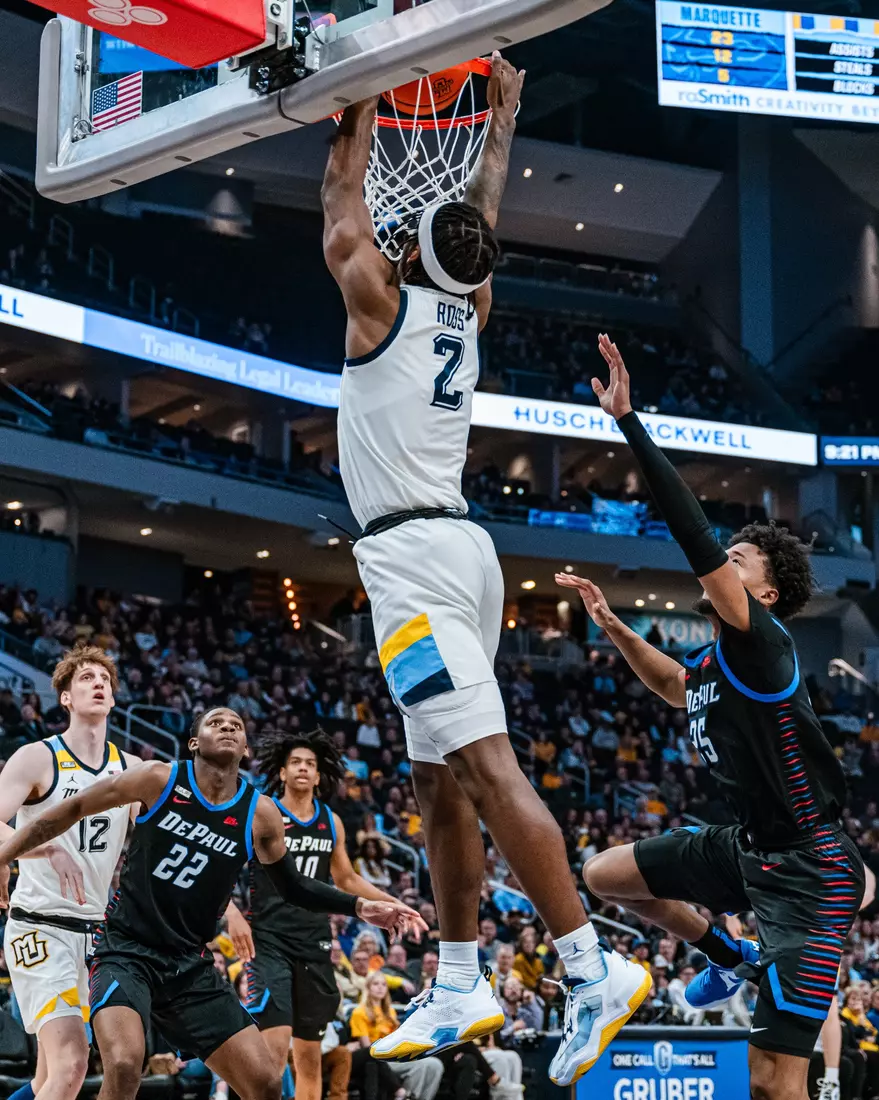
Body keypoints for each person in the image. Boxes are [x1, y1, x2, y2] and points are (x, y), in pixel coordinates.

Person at [323, 57, 649, 1087]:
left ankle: (589, 964)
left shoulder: (378, 303)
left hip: (414, 565)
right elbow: (477, 214)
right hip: (461, 554)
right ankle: (461, 979)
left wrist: (355, 96)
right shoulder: (468, 305)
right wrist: (498, 118)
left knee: (487, 766)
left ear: (405, 251)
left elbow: (341, 208)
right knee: (436, 774)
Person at [559, 334, 867, 1100]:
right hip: (746, 847)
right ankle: (731, 960)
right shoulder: (713, 664)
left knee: (770, 1083)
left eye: (738, 561)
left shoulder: (762, 644)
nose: (722, 563)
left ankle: (774, 951)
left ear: (764, 594)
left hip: (807, 874)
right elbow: (671, 684)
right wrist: (614, 626)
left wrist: (628, 423)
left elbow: (690, 532)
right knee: (603, 875)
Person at [0, 707, 422, 1100]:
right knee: (126, 1064)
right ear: (194, 743)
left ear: (245, 749)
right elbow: (72, 807)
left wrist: (361, 907)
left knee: (265, 1082)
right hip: (125, 952)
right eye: (216, 722)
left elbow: (294, 886)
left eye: (236, 725)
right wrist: (3, 856)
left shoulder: (260, 815)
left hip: (189, 966)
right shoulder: (157, 779)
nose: (227, 727)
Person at [225, 730, 418, 1100]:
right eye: (295, 762)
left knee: (310, 1058)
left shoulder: (331, 821)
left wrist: (392, 902)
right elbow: (223, 863)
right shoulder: (263, 812)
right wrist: (231, 912)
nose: (302, 768)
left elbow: (347, 878)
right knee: (274, 1049)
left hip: (314, 942)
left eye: (309, 764)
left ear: (318, 775)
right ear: (282, 772)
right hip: (269, 940)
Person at [0, 644, 138, 1100]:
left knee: (48, 1080)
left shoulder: (131, 770)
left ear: (113, 698)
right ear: (65, 697)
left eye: (104, 680)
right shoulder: (37, 757)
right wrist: (44, 848)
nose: (98, 684)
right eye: (86, 678)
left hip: (95, 934)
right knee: (73, 1064)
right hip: (39, 927)